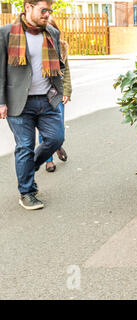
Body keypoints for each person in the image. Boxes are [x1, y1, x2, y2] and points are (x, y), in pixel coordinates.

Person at [0, 0, 65, 210]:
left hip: (47, 100)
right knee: (25, 146)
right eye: (43, 10)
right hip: (19, 102)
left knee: (56, 137)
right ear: (28, 7)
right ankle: (27, 192)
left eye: (49, 11)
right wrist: (1, 101)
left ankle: (29, 167)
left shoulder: (52, 33)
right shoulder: (6, 33)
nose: (47, 14)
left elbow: (59, 64)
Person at [38, 15, 71, 173]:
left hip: (57, 95)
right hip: (40, 95)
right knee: (44, 131)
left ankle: (57, 145)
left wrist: (67, 92)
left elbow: (67, 72)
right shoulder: (35, 48)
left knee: (59, 130)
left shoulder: (62, 47)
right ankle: (48, 160)